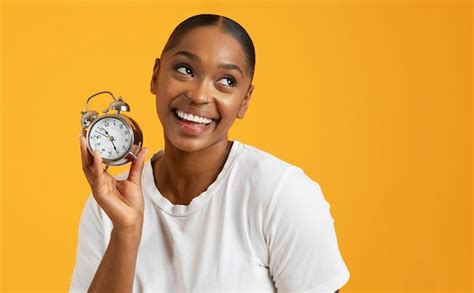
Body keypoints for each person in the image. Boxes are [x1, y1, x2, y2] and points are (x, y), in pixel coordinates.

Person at [70, 14, 350, 292]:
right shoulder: (110, 202)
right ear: (156, 76)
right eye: (185, 70)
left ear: (244, 101)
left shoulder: (281, 193)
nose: (199, 95)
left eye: (226, 81)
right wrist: (126, 230)